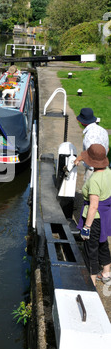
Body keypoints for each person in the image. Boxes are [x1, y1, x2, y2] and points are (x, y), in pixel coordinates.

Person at [77, 144, 111, 286]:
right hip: (106, 215)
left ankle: (91, 283)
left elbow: (93, 206)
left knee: (91, 249)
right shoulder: (109, 172)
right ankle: (106, 273)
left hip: (95, 218)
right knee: (103, 243)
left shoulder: (95, 179)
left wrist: (86, 227)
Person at [74, 107, 109, 180]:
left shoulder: (89, 136)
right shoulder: (103, 130)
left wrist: (77, 159)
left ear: (82, 122)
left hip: (93, 170)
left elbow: (90, 154)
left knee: (89, 190)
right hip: (104, 167)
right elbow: (107, 148)